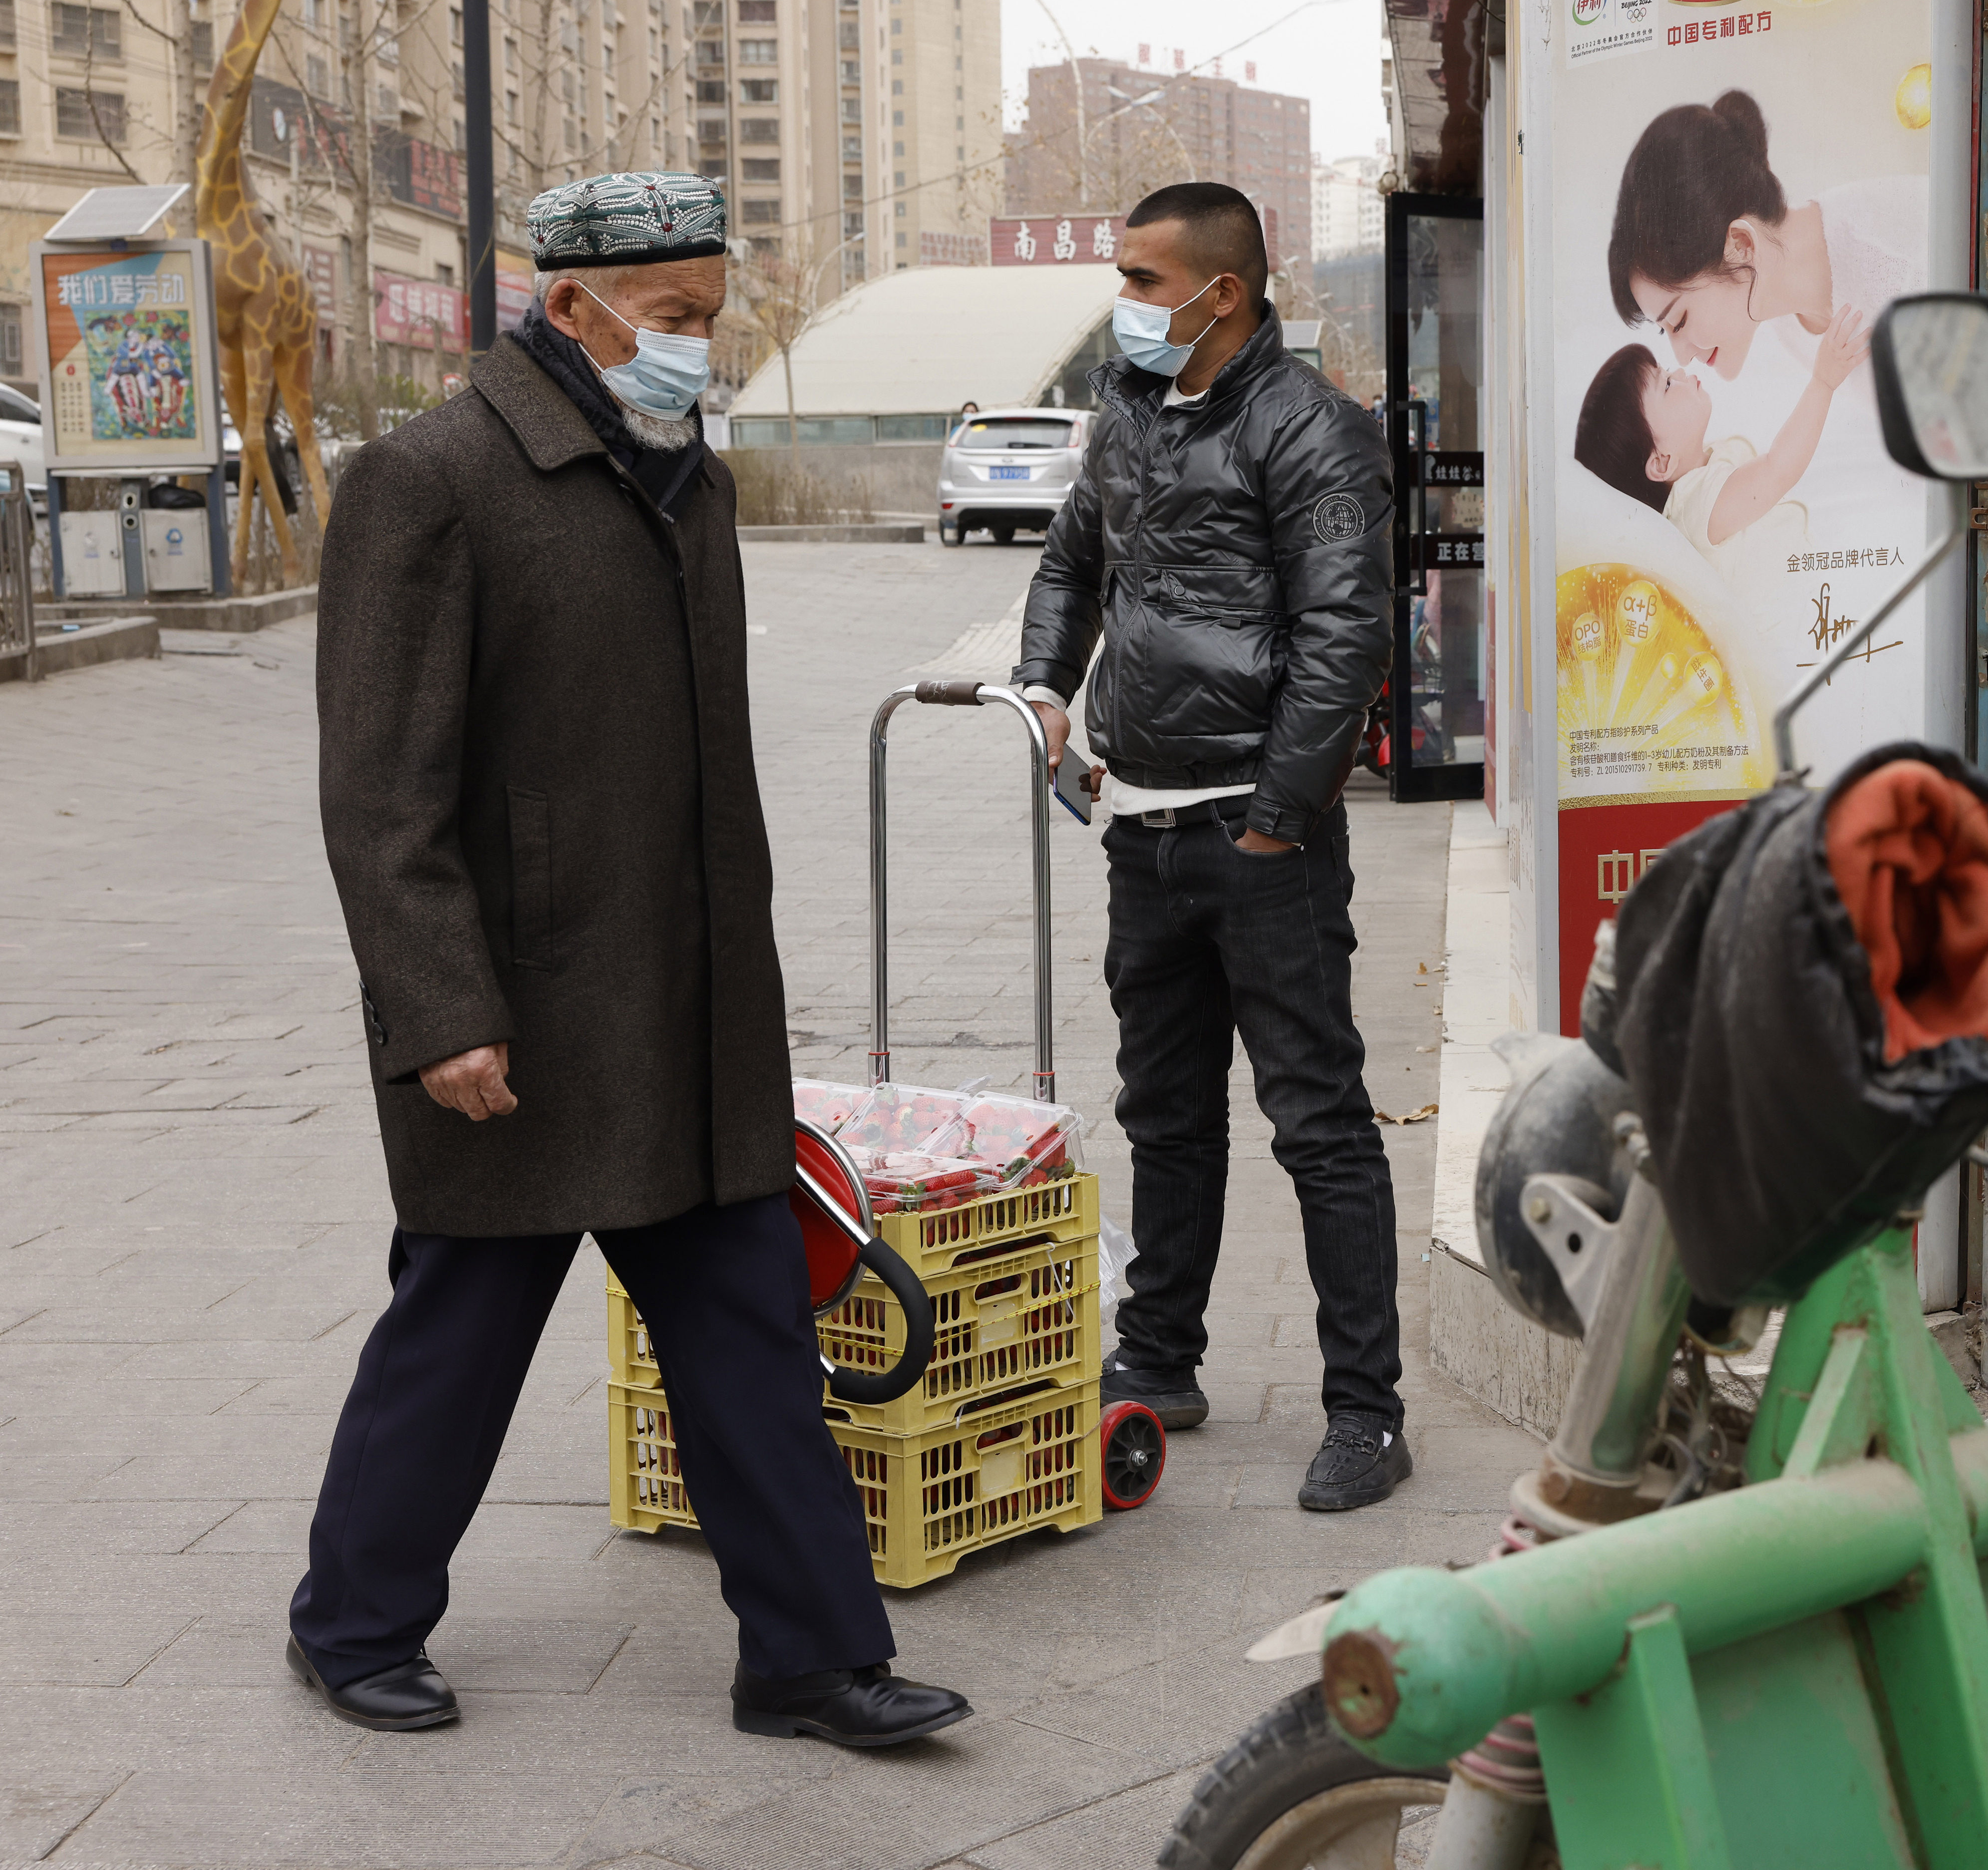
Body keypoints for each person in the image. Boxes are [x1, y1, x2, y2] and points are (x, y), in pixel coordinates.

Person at [299, 170, 970, 1744]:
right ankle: (350, 1621)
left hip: (689, 1012)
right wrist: (440, 1009)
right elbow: (380, 789)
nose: (694, 352)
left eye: (708, 323)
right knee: (455, 1341)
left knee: (748, 1334)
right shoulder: (432, 480)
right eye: (671, 323)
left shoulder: (685, 481)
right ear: (572, 308)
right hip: (517, 1023)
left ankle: (811, 1656)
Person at [1010, 182, 1408, 1511]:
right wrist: (1043, 687)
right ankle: (1160, 1357)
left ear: (1219, 294)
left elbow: (1346, 638)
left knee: (1320, 1124)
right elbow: (1074, 564)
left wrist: (1278, 820)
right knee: (1166, 1117)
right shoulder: (1124, 414)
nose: (1122, 301)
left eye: (1139, 277)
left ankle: (1367, 1411)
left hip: (1261, 839)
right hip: (1142, 827)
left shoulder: (1314, 431)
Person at [1608, 88, 1921, 389]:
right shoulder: (1783, 317)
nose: (1683, 358)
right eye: (1667, 332)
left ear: (1742, 244)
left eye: (1679, 322)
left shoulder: (1903, 260)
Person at [1571, 315, 1869, 562]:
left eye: (1667, 371)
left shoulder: (1703, 472)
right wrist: (1824, 382)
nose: (1679, 371)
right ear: (1662, 462)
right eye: (1667, 385)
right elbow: (1778, 469)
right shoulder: (1698, 510)